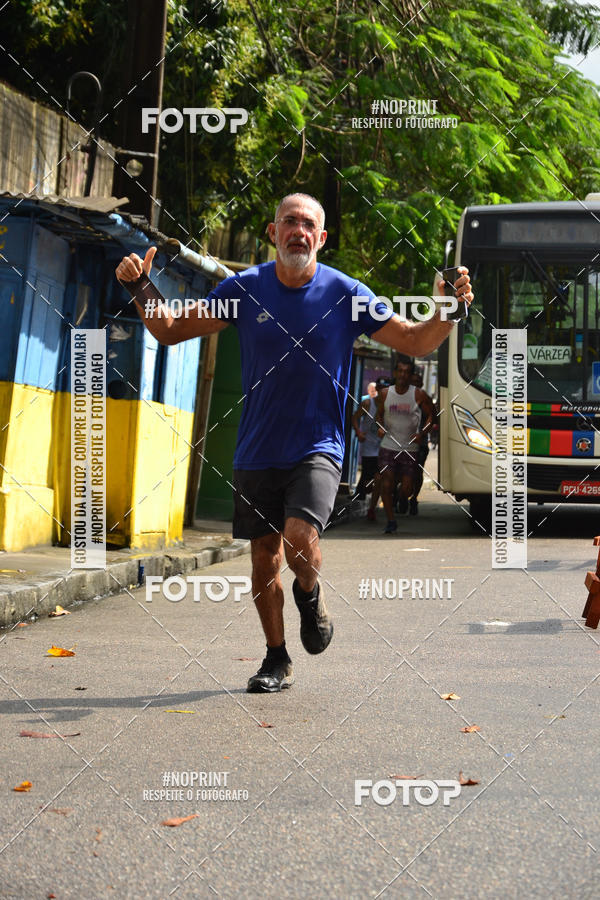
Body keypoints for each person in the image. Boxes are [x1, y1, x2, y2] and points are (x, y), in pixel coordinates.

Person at [115, 193, 473, 692]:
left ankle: (310, 593)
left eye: (309, 224)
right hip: (256, 449)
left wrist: (449, 309)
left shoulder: (347, 294)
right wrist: (140, 287)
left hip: (318, 446)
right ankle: (276, 659)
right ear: (273, 231)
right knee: (264, 555)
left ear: (322, 238)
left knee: (300, 537)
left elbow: (414, 340)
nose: (298, 231)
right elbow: (170, 328)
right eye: (290, 222)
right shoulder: (243, 290)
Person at [376, 356, 435, 534]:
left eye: (406, 372)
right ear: (395, 373)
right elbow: (378, 416)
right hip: (389, 445)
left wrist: (422, 433)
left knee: (407, 488)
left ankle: (402, 497)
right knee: (387, 484)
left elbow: (432, 416)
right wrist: (379, 427)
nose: (403, 375)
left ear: (411, 376)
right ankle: (391, 520)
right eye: (400, 371)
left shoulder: (418, 395)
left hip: (410, 447)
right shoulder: (385, 393)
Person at [351, 377, 387, 519]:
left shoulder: (389, 406)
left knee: (379, 479)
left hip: (383, 448)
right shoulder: (368, 403)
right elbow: (354, 417)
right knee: (368, 482)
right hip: (368, 448)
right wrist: (358, 432)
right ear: (377, 389)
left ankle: (371, 509)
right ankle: (362, 498)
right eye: (381, 388)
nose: (383, 391)